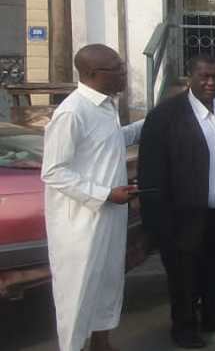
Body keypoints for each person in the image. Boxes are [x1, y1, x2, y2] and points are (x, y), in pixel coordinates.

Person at [139, 54, 215, 349]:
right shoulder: (166, 116)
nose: (211, 82)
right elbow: (151, 172)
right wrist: (156, 222)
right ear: (189, 77)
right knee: (185, 275)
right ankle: (184, 327)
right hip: (185, 214)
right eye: (204, 76)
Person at [41, 45, 143, 351]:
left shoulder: (106, 105)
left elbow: (111, 142)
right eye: (118, 69)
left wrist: (151, 122)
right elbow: (53, 171)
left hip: (110, 214)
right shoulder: (72, 112)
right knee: (78, 290)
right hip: (81, 222)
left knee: (108, 282)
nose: (125, 74)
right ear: (93, 73)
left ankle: (102, 343)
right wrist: (104, 194)